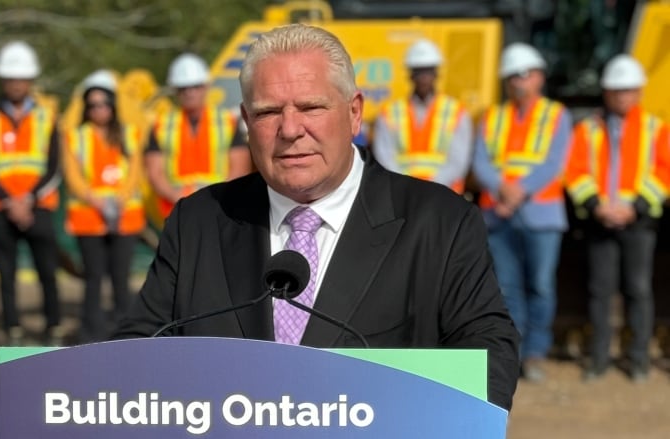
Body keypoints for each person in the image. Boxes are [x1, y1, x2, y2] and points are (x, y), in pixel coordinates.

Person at [115, 24, 519, 411]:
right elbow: (136, 351)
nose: (290, 129)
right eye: (268, 112)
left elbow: (487, 356)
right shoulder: (198, 222)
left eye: (311, 107)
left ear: (354, 113)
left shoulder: (440, 222)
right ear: (246, 122)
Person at [566, 54, 670, 382]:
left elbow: (665, 171)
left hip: (638, 222)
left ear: (638, 92)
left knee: (638, 290)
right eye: (616, 90)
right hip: (600, 220)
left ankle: (637, 359)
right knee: (600, 290)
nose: (622, 96)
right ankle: (599, 358)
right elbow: (575, 171)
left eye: (628, 90)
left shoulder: (656, 128)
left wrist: (634, 207)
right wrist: (597, 205)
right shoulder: (587, 129)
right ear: (606, 92)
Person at [472, 42, 572, 382]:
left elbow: (555, 163)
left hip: (541, 215)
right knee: (506, 290)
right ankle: (511, 354)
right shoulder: (493, 116)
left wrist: (516, 193)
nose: (518, 81)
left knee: (541, 286)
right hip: (499, 214)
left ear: (540, 77)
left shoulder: (556, 115)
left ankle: (536, 353)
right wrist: (503, 191)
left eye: (524, 74)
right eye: (512, 76)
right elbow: (481, 161)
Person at [0, 41, 62, 346]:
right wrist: (10, 201)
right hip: (1, 208)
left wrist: (28, 199)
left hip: (38, 207)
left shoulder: (47, 117)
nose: (16, 84)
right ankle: (12, 330)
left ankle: (53, 328)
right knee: (6, 274)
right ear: (2, 80)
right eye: (11, 78)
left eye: (21, 78)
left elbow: (54, 166)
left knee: (47, 272)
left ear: (31, 81)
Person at [62, 70, 146, 343]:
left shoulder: (130, 134)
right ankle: (91, 336)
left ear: (112, 104)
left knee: (121, 279)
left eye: (103, 103)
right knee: (94, 278)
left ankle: (124, 335)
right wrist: (94, 200)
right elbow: (72, 176)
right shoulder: (76, 137)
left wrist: (119, 199)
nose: (99, 110)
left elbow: (135, 171)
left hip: (125, 216)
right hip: (89, 218)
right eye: (93, 105)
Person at [144, 53, 252, 220]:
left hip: (219, 206)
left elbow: (240, 168)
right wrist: (177, 196)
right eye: (183, 88)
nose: (190, 92)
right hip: (176, 209)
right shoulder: (161, 125)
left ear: (205, 86)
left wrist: (216, 198)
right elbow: (155, 173)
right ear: (175, 90)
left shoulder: (227, 121)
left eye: (195, 86)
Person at [372, 38, 473, 194]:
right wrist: (410, 187)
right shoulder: (390, 112)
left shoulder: (456, 111)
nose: (424, 77)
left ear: (436, 73)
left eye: (428, 71)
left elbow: (458, 162)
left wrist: (427, 189)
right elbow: (385, 158)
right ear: (410, 74)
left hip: (444, 196)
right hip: (403, 195)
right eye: (419, 71)